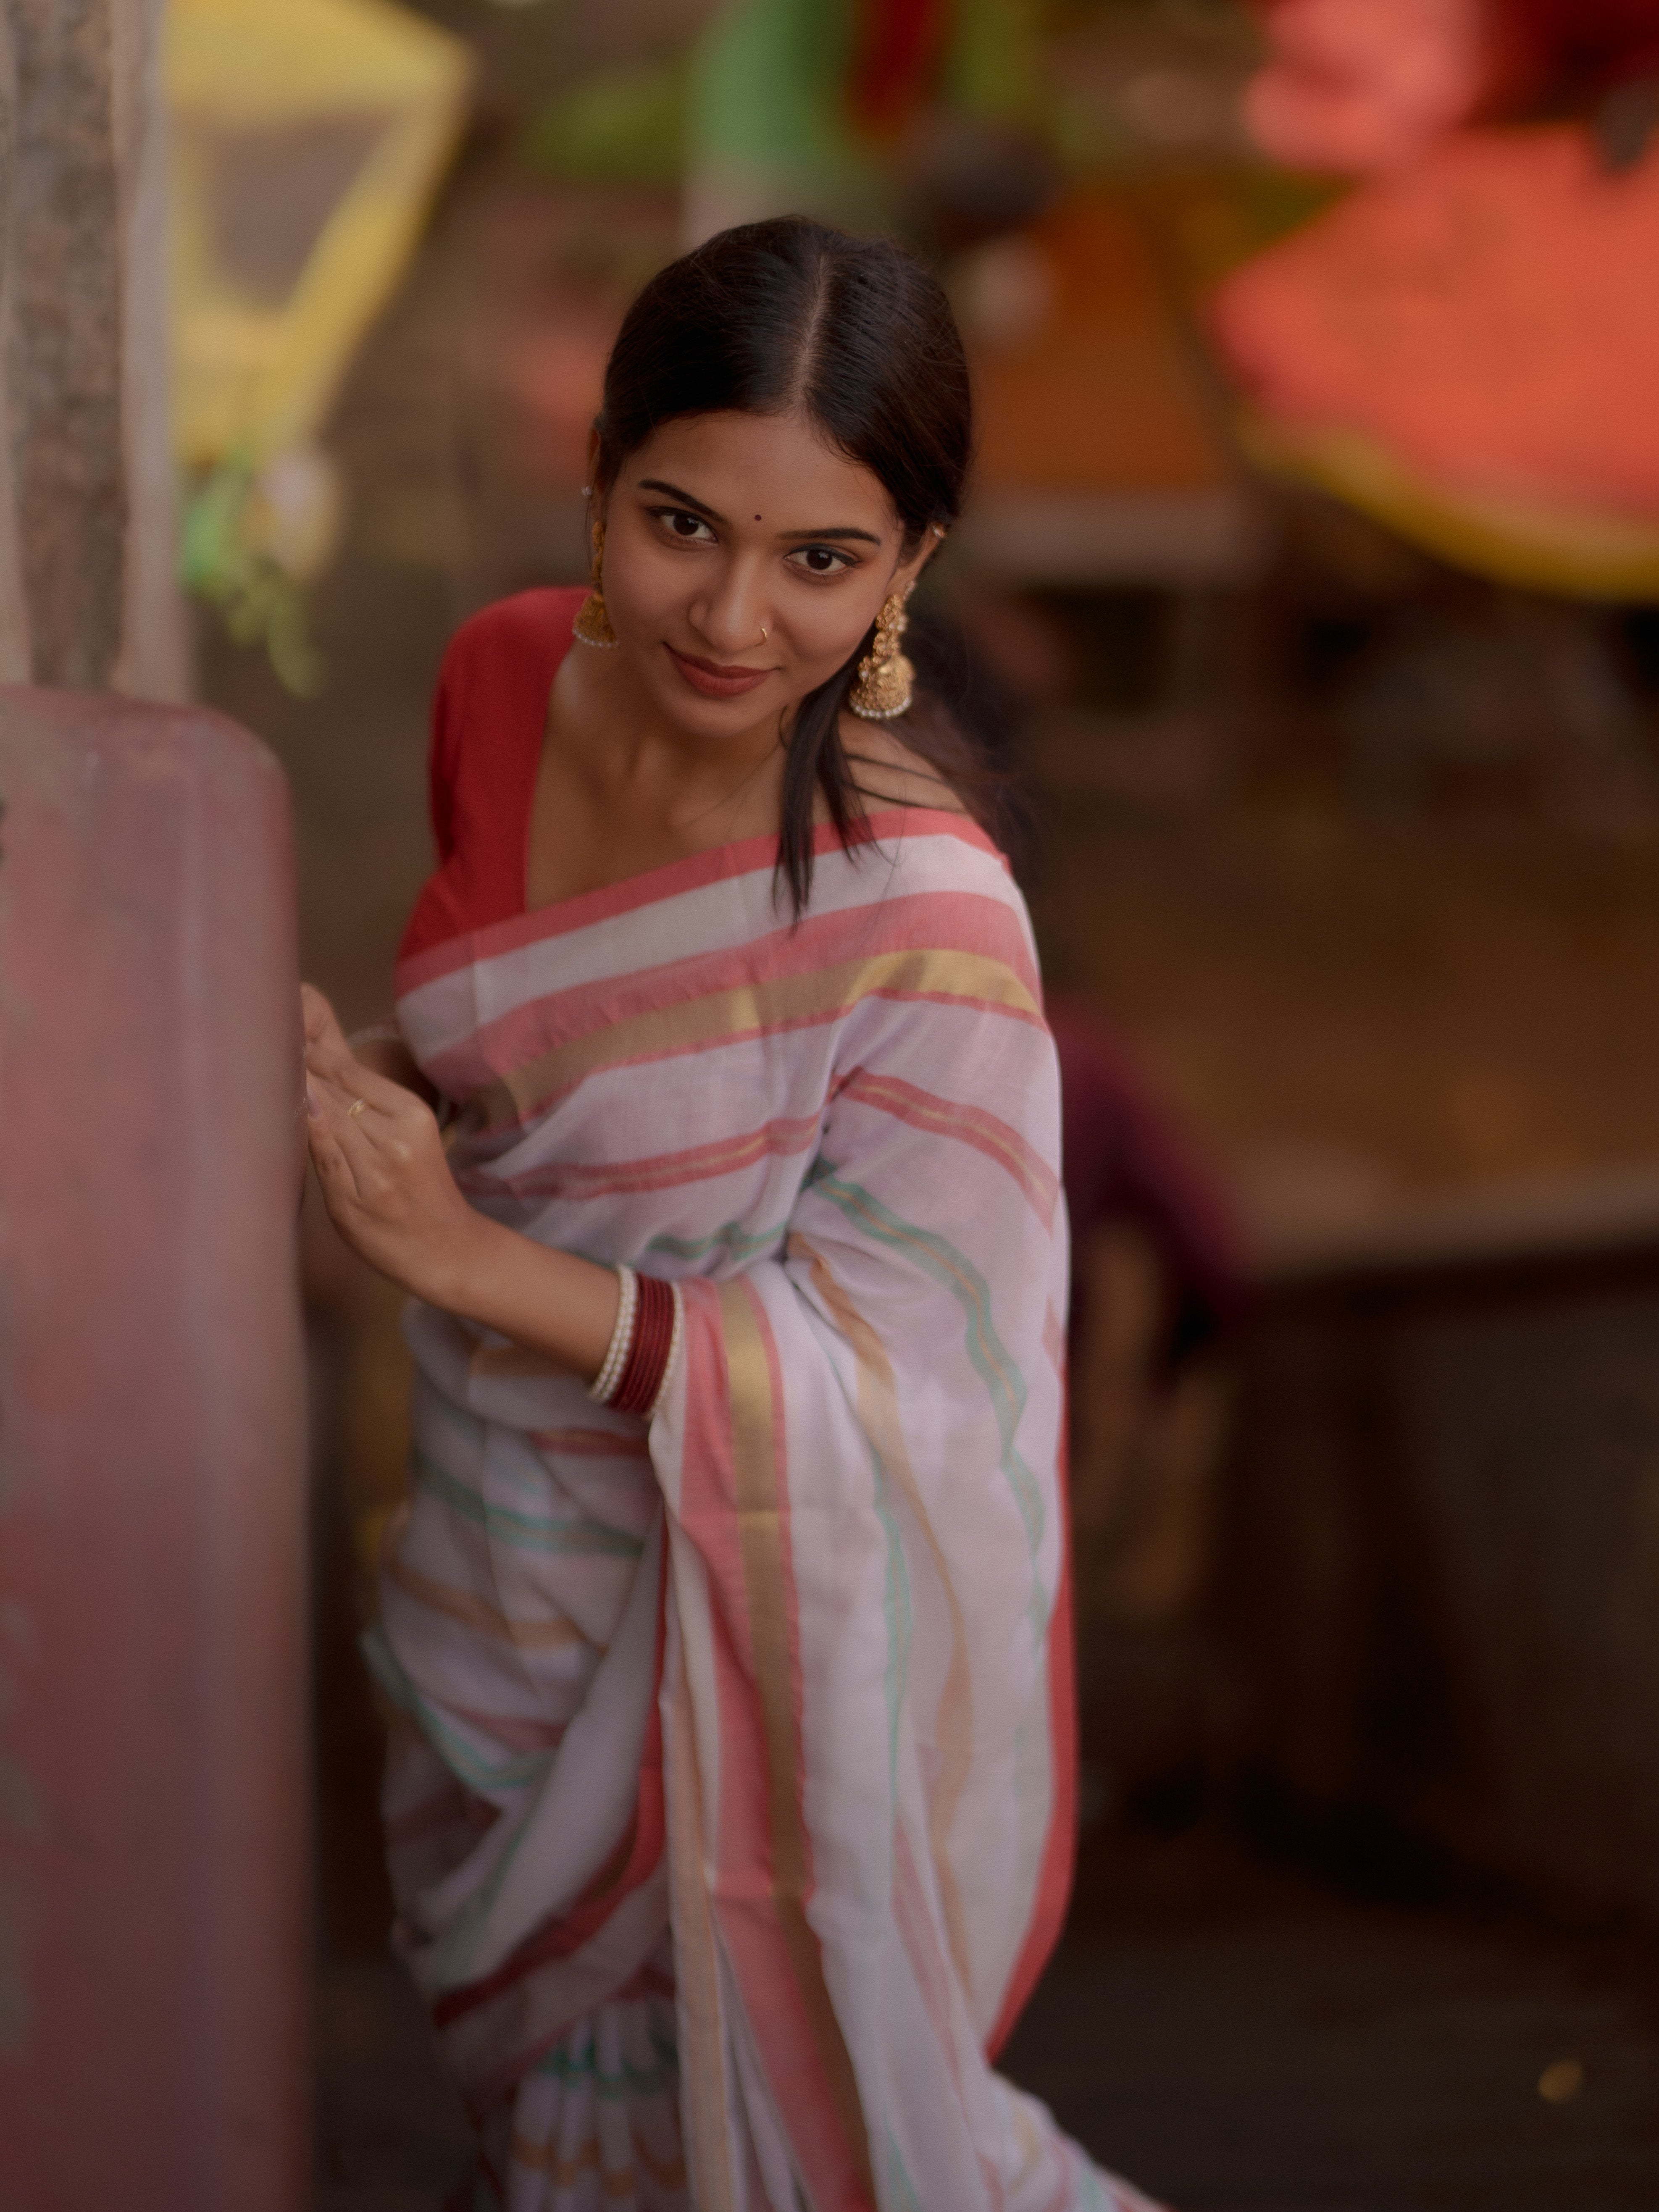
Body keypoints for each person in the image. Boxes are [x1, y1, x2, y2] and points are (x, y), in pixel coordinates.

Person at [302, 216, 1160, 2212]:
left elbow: (908, 1393)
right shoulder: (499, 680)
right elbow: (525, 1053)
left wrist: (459, 1257)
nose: (733, 619)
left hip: (735, 1660)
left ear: (910, 573)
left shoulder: (923, 920)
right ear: (595, 471)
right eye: (681, 523)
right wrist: (365, 1088)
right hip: (491, 1591)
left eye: (822, 561)